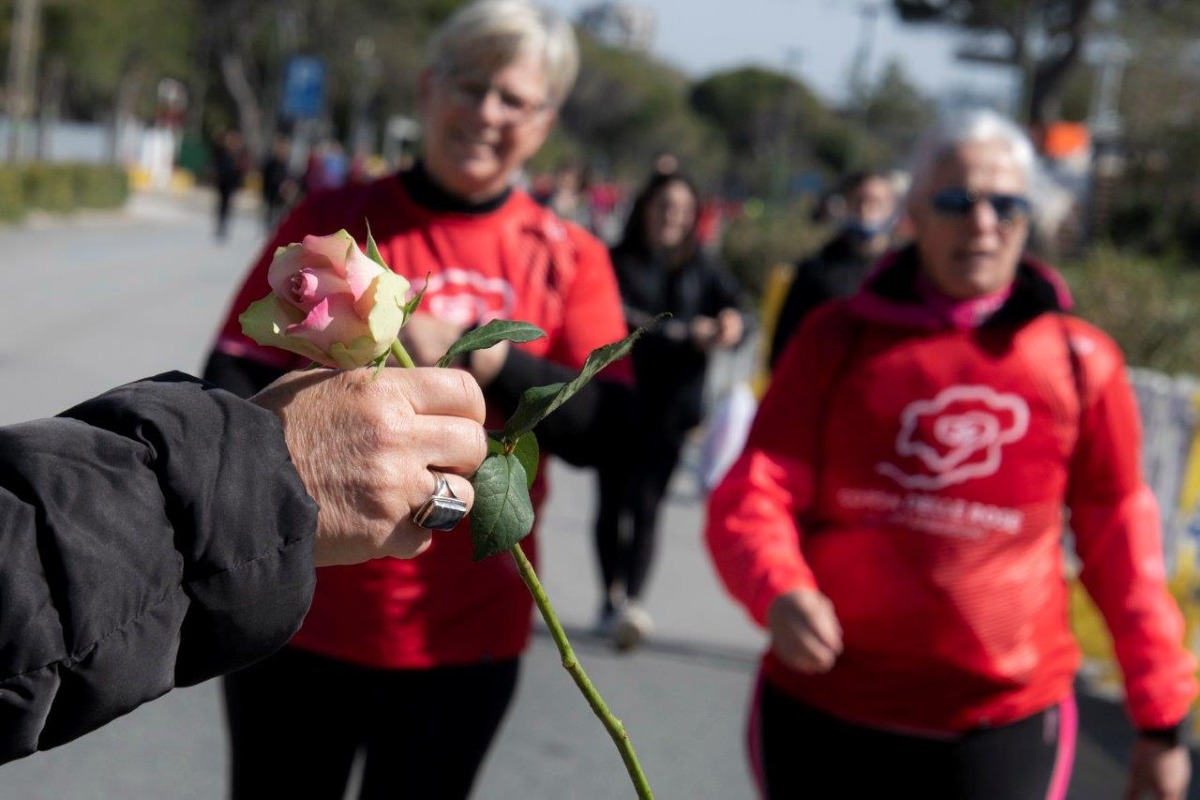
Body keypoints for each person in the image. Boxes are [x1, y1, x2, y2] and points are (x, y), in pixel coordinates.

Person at [202, 2, 632, 797]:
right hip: (299, 619)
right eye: (470, 87)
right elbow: (226, 381)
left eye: (514, 100)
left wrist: (492, 358)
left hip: (460, 640)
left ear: (545, 121)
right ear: (430, 90)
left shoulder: (569, 254)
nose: (486, 114)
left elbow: (606, 432)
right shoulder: (332, 226)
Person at [705, 108, 1198, 799]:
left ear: (1034, 219)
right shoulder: (836, 339)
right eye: (956, 201)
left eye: (1006, 204)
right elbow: (757, 492)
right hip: (825, 708)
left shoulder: (1080, 362)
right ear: (913, 212)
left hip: (1002, 724)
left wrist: (1161, 717)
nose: (983, 223)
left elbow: (1124, 545)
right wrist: (778, 589)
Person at [0, 366, 487, 767]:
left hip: (465, 631)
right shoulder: (313, 250)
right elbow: (228, 374)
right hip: (308, 637)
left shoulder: (551, 251)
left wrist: (499, 365)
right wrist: (274, 474)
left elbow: (565, 417)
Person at [594, 170, 746, 650]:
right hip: (617, 399)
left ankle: (632, 602)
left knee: (647, 505)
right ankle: (609, 596)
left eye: (682, 210)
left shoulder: (703, 264)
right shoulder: (615, 260)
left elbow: (736, 308)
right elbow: (616, 318)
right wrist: (682, 334)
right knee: (612, 502)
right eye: (664, 207)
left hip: (673, 408)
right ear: (644, 210)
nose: (672, 218)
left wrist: (729, 325)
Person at [767, 169, 899, 369]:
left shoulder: (903, 272)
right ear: (846, 205)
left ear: (892, 209)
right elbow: (785, 341)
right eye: (859, 201)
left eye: (876, 203)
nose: (866, 211)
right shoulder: (817, 269)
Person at [212, 128, 247, 241]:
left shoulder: (238, 155)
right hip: (222, 183)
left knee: (228, 206)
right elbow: (218, 165)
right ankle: (220, 225)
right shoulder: (223, 152)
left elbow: (241, 171)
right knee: (222, 205)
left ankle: (225, 226)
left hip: (231, 184)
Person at [261, 132, 299, 232]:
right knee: (270, 217)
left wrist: (289, 186)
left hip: (282, 197)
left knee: (280, 218)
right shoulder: (271, 163)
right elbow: (267, 178)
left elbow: (292, 178)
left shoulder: (288, 164)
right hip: (271, 194)